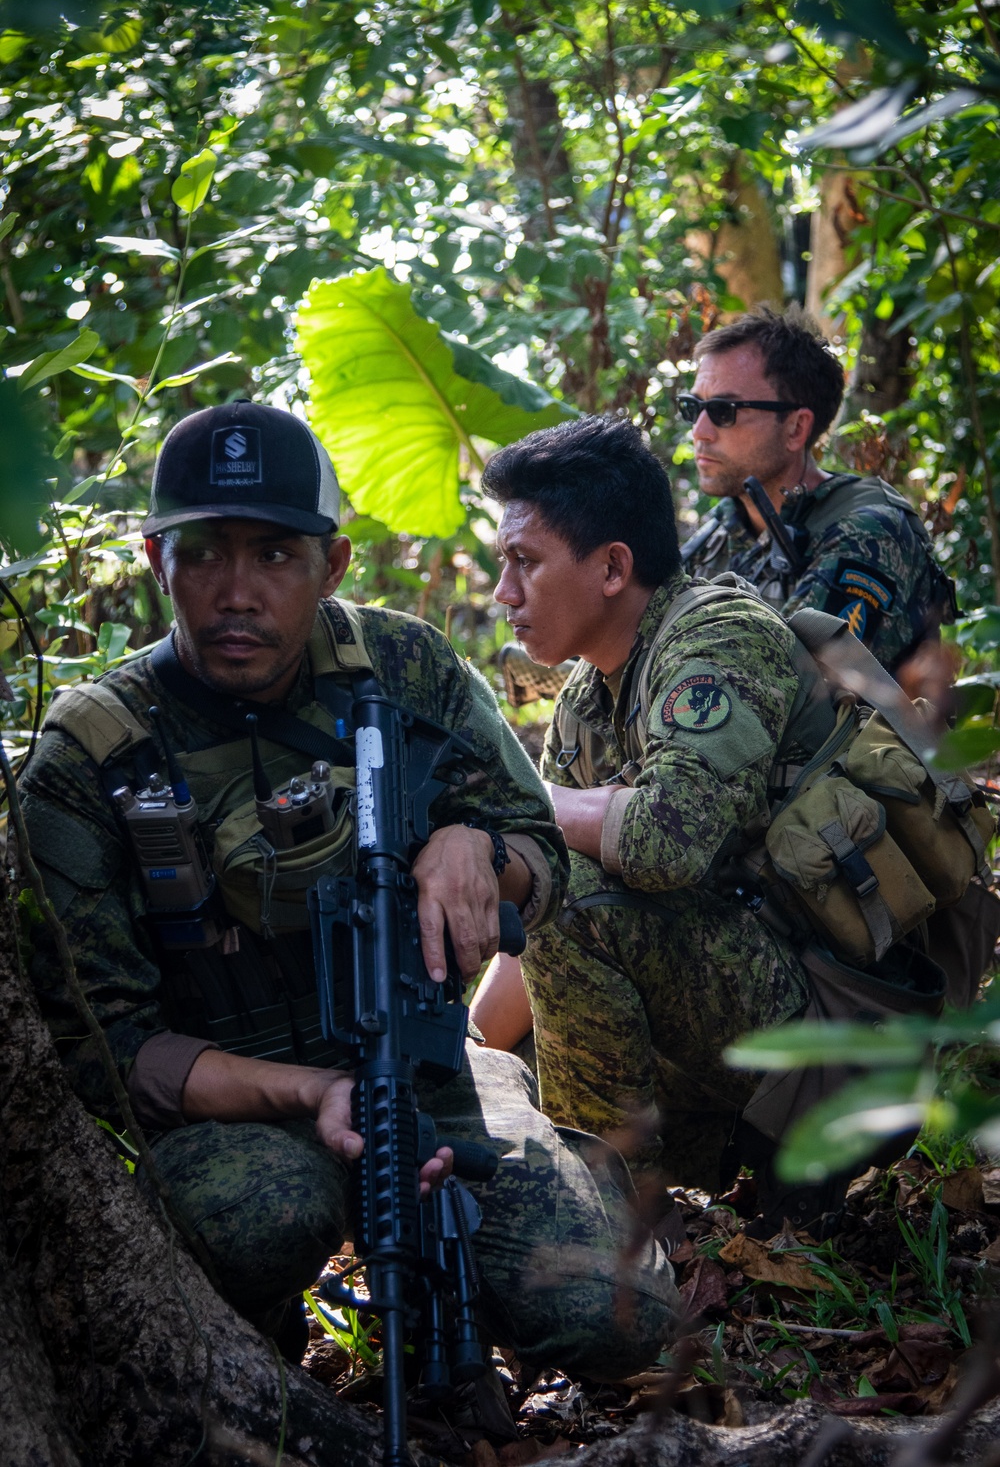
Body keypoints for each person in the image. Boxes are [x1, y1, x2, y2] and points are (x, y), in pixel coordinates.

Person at [20, 400, 677, 1374]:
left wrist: (472, 842)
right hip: (233, 1109)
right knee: (256, 1221)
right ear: (156, 561)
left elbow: (537, 855)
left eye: (276, 556)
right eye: (205, 553)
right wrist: (314, 1091)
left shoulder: (401, 668)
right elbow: (100, 1046)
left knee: (614, 1317)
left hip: (423, 1069)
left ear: (332, 567)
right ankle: (258, 1352)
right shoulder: (92, 751)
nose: (237, 592)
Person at [473, 413, 843, 1196]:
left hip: (829, 1038)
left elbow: (661, 844)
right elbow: (535, 904)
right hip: (716, 1017)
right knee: (502, 1095)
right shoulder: (585, 698)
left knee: (573, 898)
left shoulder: (720, 635)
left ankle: (612, 1231)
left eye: (524, 562)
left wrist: (520, 802)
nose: (503, 592)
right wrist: (467, 1050)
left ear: (612, 568)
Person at [680, 304, 956, 674]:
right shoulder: (724, 526)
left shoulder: (870, 532)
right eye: (693, 407)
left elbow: (779, 686)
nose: (699, 431)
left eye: (723, 410)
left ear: (796, 428)